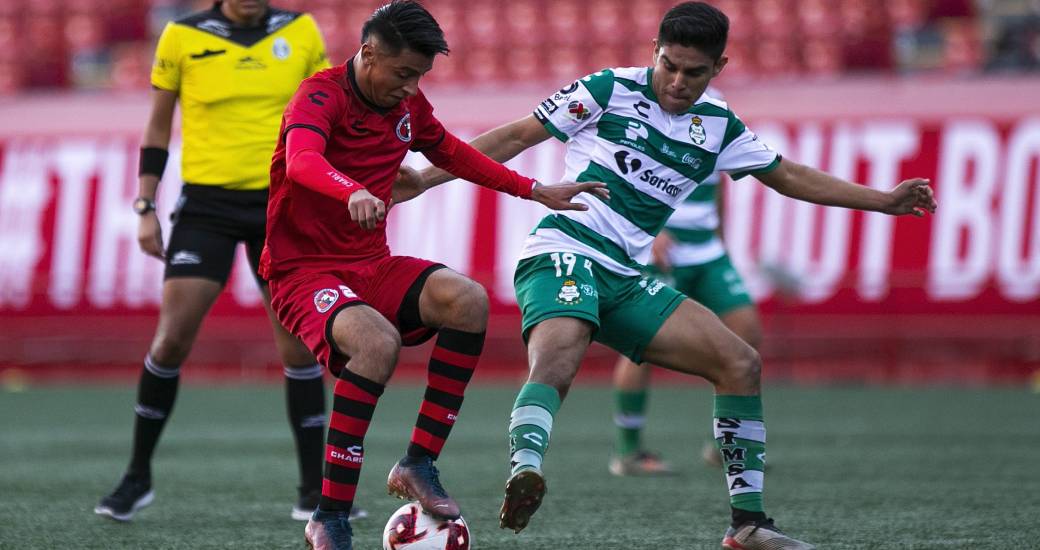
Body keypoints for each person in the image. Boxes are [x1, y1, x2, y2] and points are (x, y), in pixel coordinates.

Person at [402, 2, 936, 548]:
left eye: (694, 72)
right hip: (565, 248)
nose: (678, 82)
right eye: (669, 65)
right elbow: (515, 136)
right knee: (561, 351)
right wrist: (421, 178)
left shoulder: (719, 126)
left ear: (718, 68)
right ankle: (525, 469)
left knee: (739, 362)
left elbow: (789, 176)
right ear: (653, 52)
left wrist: (884, 201)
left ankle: (748, 524)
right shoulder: (608, 89)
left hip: (627, 276)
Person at [258, 2, 606, 549]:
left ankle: (418, 462)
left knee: (467, 300)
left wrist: (535, 190)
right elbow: (301, 161)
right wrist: (350, 189)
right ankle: (329, 514)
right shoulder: (320, 95)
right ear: (368, 53)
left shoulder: (409, 105)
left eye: (420, 76)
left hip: (370, 262)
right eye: (403, 73)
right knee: (376, 343)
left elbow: (454, 154)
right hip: (302, 271)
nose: (411, 87)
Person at [93, 0, 355, 523]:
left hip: (282, 205)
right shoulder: (181, 37)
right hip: (206, 207)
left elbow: (328, 113)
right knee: (171, 340)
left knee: (300, 350)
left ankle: (313, 492)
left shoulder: (299, 31)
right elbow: (158, 127)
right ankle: (137, 477)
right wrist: (145, 205)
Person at [609, 159, 762, 476]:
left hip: (708, 251)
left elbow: (717, 184)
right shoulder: (651, 119)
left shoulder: (714, 121)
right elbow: (622, 179)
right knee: (641, 345)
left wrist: (721, 237)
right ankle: (629, 452)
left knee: (746, 331)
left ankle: (725, 443)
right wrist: (649, 230)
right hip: (664, 250)